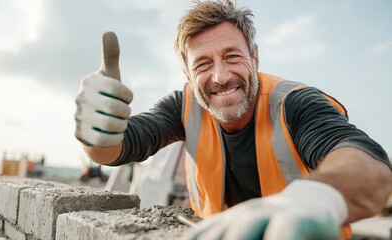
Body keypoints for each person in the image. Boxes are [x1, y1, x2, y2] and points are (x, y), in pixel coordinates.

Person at [74, 0, 392, 239]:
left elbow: (370, 168)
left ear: (254, 58)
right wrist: (96, 135)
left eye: (232, 56)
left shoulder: (295, 103)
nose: (221, 76)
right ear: (186, 74)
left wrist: (314, 197)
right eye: (202, 64)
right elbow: (116, 149)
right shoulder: (183, 106)